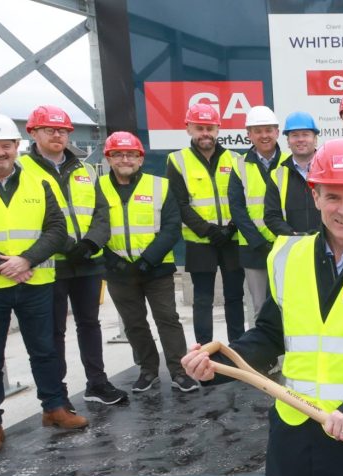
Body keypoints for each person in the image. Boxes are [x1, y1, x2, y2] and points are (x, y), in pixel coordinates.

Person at [182, 138, 343, 476]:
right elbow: (269, 333)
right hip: (297, 433)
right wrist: (216, 364)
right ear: (315, 197)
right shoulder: (286, 257)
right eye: (333, 197)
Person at [0, 114, 88, 455]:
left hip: (34, 281)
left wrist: (26, 260)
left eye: (6, 145)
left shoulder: (39, 185)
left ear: (16, 147)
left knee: (45, 350)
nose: (0, 152)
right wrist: (1, 265)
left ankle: (54, 408)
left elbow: (55, 230)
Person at [19, 105, 124, 405]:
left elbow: (101, 213)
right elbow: (28, 217)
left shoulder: (85, 169)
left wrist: (90, 244)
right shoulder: (23, 171)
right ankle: (58, 393)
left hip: (88, 262)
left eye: (62, 130)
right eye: (50, 130)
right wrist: (65, 246)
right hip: (49, 264)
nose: (57, 135)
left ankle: (97, 383)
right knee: (54, 331)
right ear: (34, 133)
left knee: (89, 324)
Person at [98, 132, 199, 393]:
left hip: (156, 269)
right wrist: (112, 260)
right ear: (108, 158)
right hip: (117, 269)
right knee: (134, 324)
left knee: (167, 319)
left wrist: (147, 260)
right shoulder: (97, 188)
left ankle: (179, 371)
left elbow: (171, 227)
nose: (125, 159)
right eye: (118, 154)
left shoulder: (159, 186)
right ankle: (148, 370)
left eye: (131, 154)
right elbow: (93, 227)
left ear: (140, 159)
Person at [166, 103, 246, 345]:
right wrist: (209, 230)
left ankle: (238, 349)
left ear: (218, 129)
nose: (205, 133)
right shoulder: (177, 160)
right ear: (188, 128)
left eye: (209, 128)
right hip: (200, 241)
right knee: (202, 300)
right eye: (199, 128)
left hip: (231, 239)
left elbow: (241, 199)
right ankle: (205, 352)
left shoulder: (234, 158)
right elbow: (179, 204)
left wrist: (231, 228)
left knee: (235, 297)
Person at [228, 105, 288, 319]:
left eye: (269, 130)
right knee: (259, 308)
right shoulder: (239, 165)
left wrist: (286, 237)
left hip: (286, 244)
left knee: (288, 305)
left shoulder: (289, 162)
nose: (264, 135)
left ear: (277, 132)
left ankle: (287, 353)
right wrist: (258, 242)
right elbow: (237, 209)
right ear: (249, 135)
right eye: (258, 131)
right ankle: (261, 353)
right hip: (254, 249)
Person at [264, 111, 322, 236]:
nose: (300, 139)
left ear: (315, 139)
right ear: (288, 141)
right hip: (290, 245)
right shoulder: (276, 175)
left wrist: (320, 234)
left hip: (326, 244)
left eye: (305, 134)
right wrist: (292, 235)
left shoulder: (328, 170)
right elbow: (271, 216)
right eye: (295, 135)